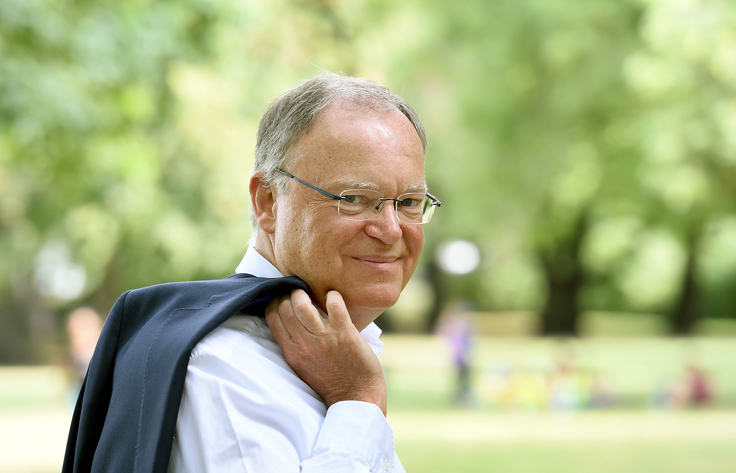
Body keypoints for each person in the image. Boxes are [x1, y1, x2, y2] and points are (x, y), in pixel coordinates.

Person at [62, 72, 440, 473]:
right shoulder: (223, 371)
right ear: (268, 202)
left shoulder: (338, 353)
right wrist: (360, 403)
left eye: (410, 202)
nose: (391, 230)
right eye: (355, 199)